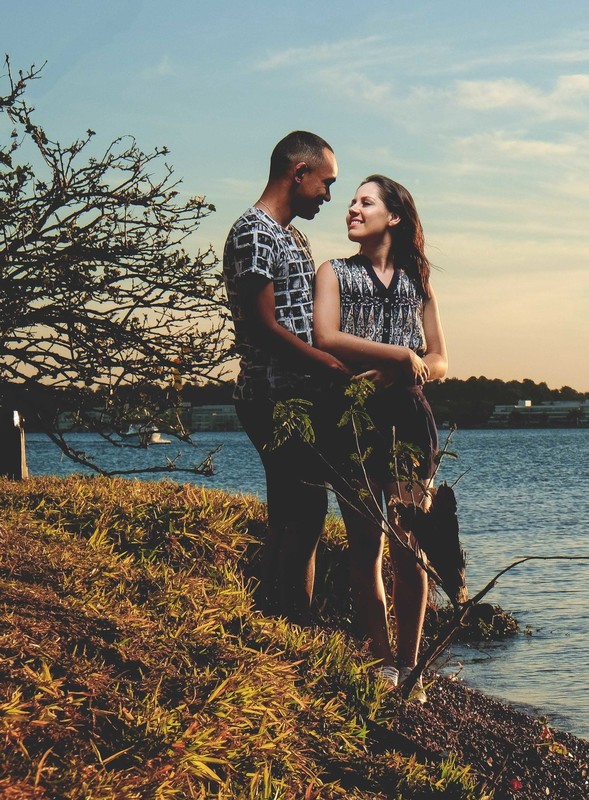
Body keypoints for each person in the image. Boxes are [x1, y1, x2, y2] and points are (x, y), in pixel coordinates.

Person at [312, 175, 447, 700]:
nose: (351, 208)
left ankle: (411, 667)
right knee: (366, 543)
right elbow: (326, 337)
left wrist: (407, 371)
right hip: (351, 419)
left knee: (411, 545)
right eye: (350, 201)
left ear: (393, 216)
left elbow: (439, 359)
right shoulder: (335, 272)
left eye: (364, 202)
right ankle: (380, 658)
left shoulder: (419, 281)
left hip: (411, 420)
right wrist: (398, 356)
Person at [223, 131, 348, 623]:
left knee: (297, 512)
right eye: (326, 182)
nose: (328, 195)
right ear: (299, 173)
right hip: (271, 397)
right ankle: (292, 622)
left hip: (296, 397)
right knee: (303, 511)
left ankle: (277, 618)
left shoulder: (291, 233)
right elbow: (263, 326)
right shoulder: (255, 231)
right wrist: (329, 366)